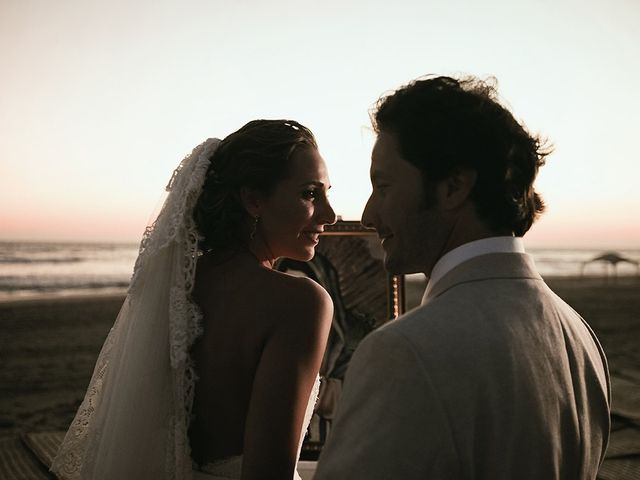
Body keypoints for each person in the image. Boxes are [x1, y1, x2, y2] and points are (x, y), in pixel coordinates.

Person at [315, 76, 610, 479]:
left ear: (453, 187)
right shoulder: (580, 336)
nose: (369, 215)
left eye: (383, 187)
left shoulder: (403, 351)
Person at [50, 119, 337, 480]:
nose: (329, 214)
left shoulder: (176, 286)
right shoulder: (301, 302)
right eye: (310, 194)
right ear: (253, 200)